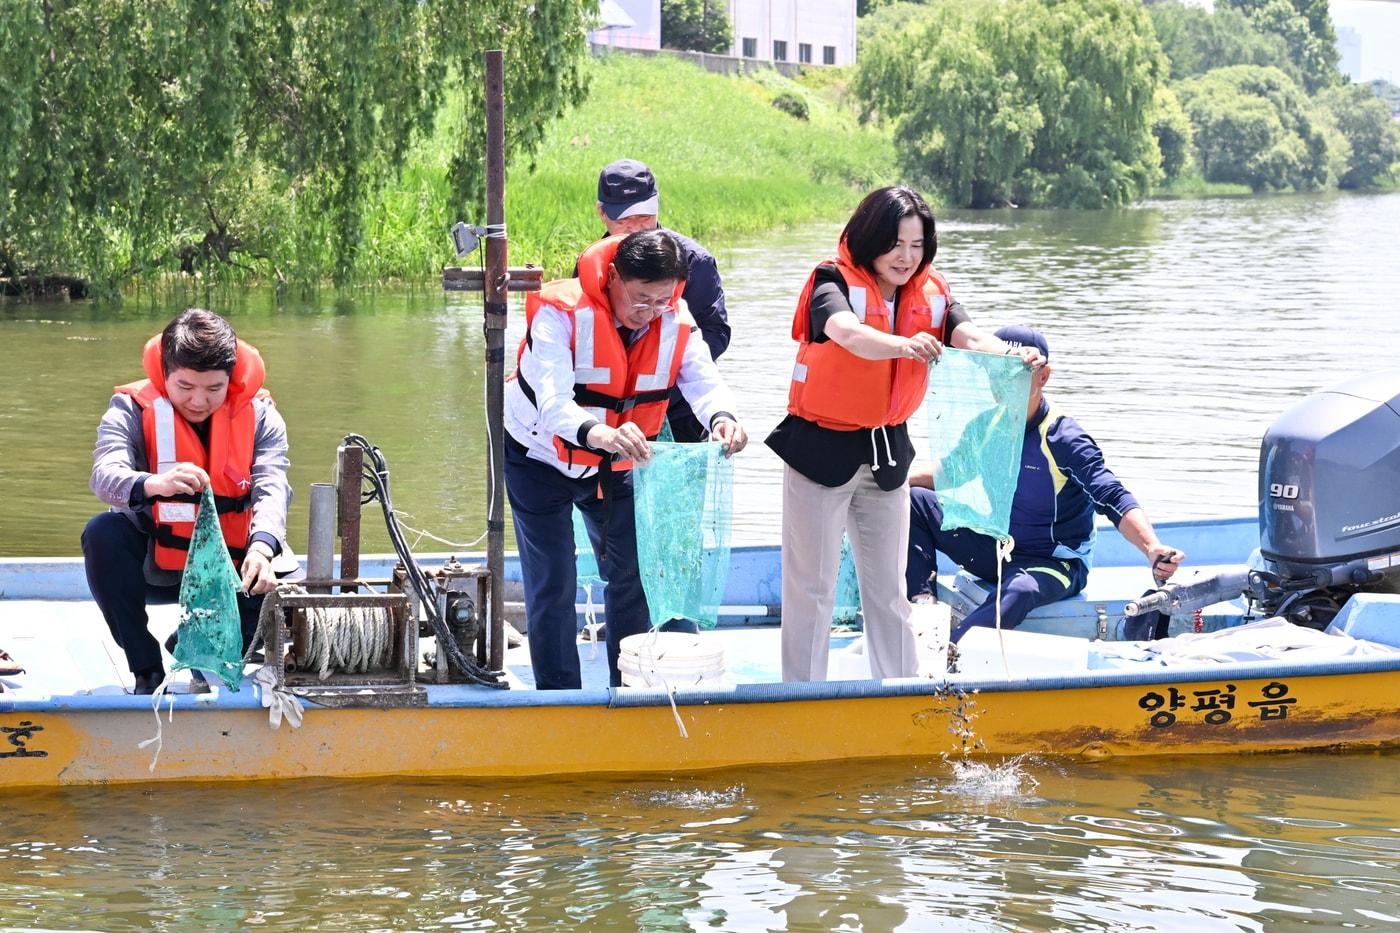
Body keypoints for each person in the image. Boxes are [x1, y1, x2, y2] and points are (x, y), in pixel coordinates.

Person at [768, 186, 1042, 683]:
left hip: (886, 454)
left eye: (917, 246)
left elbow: (970, 336)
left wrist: (1009, 354)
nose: (906, 257)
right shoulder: (831, 280)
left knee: (889, 589)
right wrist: (902, 344)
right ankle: (800, 696)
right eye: (896, 244)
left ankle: (897, 691)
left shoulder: (931, 292)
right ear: (870, 237)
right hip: (819, 451)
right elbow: (848, 333)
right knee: (813, 589)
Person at [505, 229, 748, 689]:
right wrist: (604, 434)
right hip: (538, 458)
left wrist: (724, 417)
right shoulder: (559, 315)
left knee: (632, 573)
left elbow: (701, 377)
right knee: (553, 581)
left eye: (662, 300)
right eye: (641, 299)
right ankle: (561, 698)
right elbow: (553, 403)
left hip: (617, 463)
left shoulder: (675, 317)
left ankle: (629, 687)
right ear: (613, 277)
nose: (650, 313)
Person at [906, 325, 1184, 643]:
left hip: (1054, 565)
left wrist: (1152, 549)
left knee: (1020, 589)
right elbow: (950, 472)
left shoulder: (1063, 438)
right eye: (996, 371)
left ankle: (946, 652)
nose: (1001, 382)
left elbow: (1112, 496)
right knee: (911, 498)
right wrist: (889, 480)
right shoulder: (987, 424)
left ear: (1043, 376)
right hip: (998, 550)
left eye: (1014, 374)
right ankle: (922, 608)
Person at [83, 309, 292, 694]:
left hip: (232, 564)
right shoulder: (129, 408)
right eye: (185, 387)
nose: (199, 400)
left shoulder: (261, 414)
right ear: (164, 375)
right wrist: (153, 483)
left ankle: (193, 641)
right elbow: (104, 475)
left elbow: (273, 486)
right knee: (102, 534)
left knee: (278, 579)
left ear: (231, 379)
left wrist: (262, 548)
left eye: (214, 389)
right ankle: (146, 668)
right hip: (156, 563)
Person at [590, 158, 730, 441]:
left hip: (678, 408)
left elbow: (715, 333)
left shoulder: (694, 261)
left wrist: (658, 383)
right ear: (602, 213)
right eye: (624, 219)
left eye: (644, 217)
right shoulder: (593, 262)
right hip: (609, 412)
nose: (636, 228)